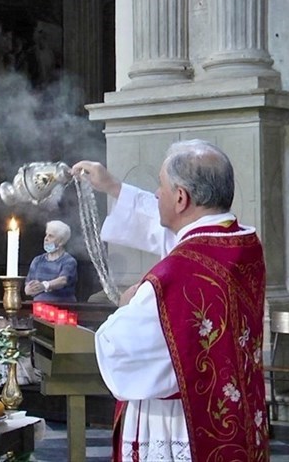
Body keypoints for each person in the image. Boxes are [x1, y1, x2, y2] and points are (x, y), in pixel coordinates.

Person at [72, 140, 268, 461]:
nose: (156, 195)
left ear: (181, 197)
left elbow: (122, 350)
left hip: (181, 424)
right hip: (234, 415)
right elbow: (178, 229)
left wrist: (123, 307)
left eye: (159, 187)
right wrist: (113, 188)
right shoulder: (242, 244)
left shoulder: (175, 275)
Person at [24, 220, 78, 303]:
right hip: (39, 308)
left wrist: (44, 286)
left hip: (62, 309)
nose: (46, 239)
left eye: (51, 236)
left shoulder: (69, 261)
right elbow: (28, 286)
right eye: (46, 235)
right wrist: (29, 288)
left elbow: (63, 280)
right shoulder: (37, 260)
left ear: (61, 242)